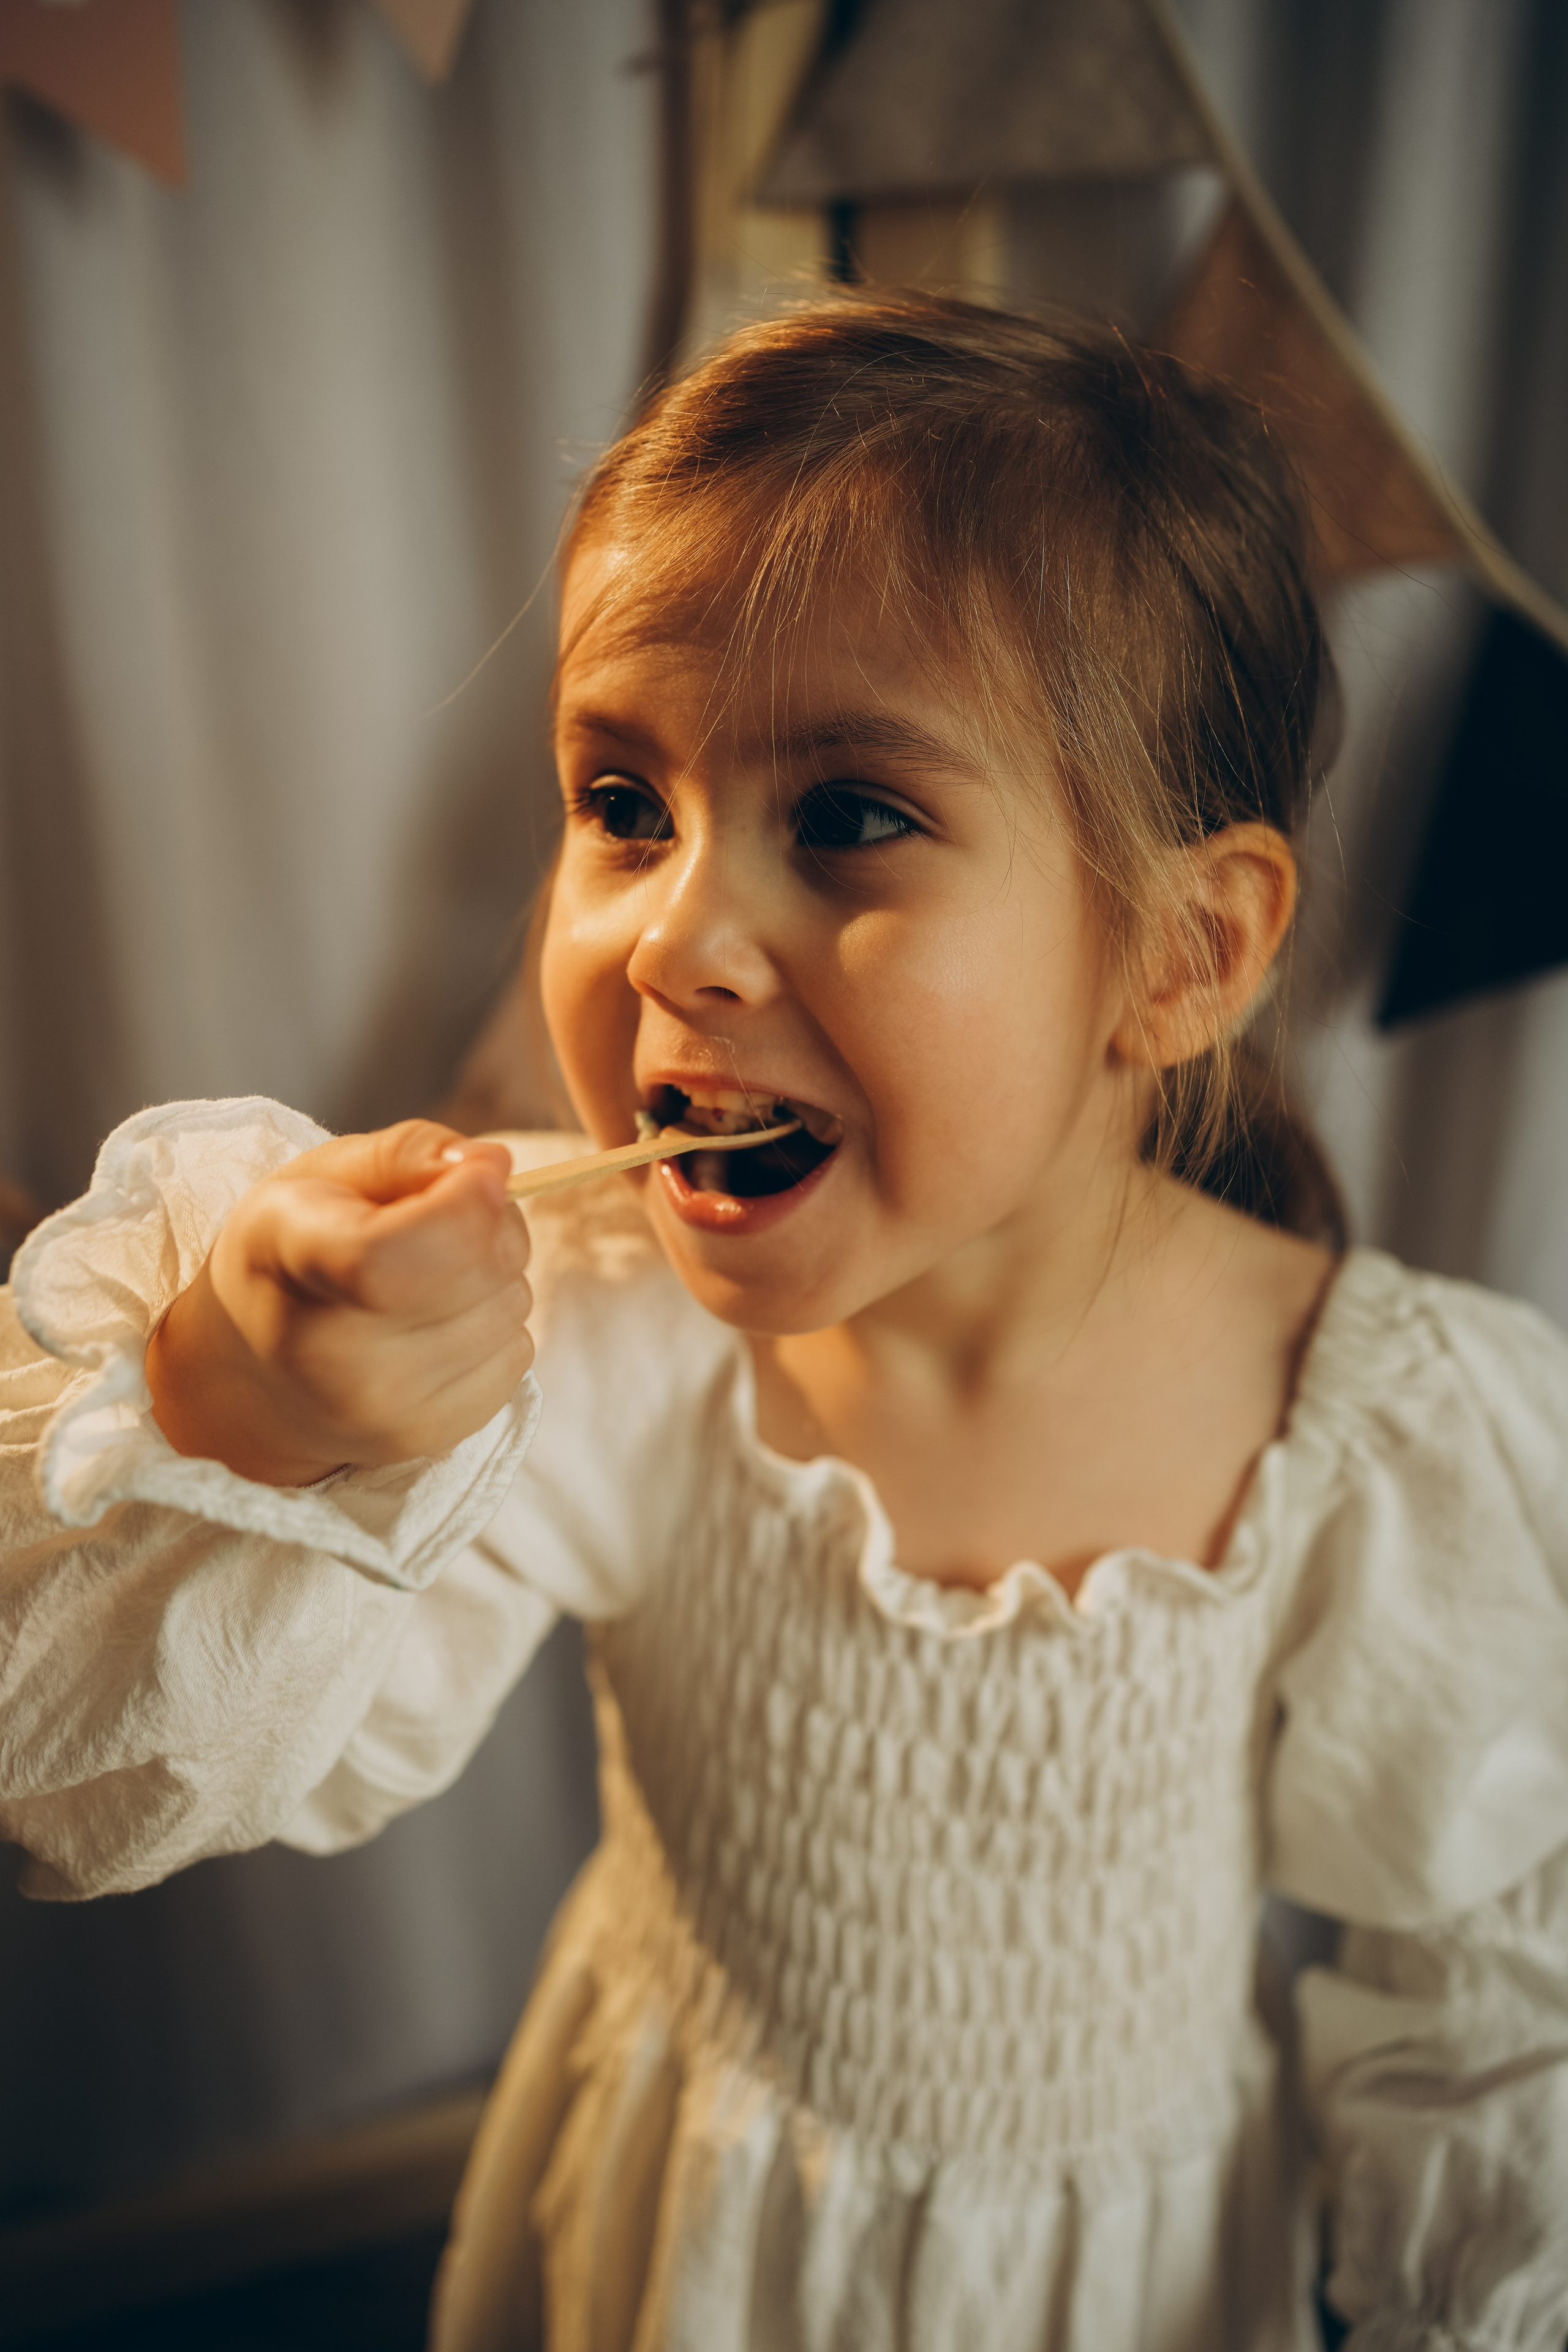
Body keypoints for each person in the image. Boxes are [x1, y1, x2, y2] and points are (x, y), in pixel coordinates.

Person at [3, 296, 1567, 2352]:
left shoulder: (1381, 1436)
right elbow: (93, 1787)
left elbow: (1494, 2028)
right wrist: (248, 1410)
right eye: (624, 803)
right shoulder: (601, 1349)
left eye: (846, 814)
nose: (670, 933)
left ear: (1181, 954)